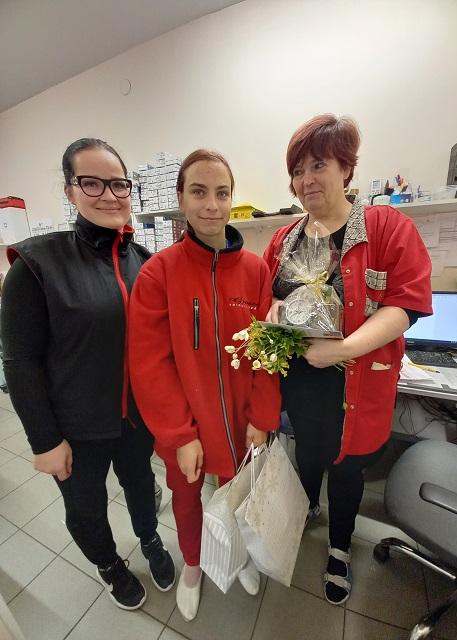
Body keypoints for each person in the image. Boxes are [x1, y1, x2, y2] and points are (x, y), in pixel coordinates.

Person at [263, 114, 432, 605]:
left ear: (346, 168)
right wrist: (272, 312)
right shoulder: (286, 239)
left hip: (355, 388)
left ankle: (339, 547)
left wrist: (340, 350)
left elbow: (405, 305)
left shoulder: (384, 228)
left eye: (318, 165)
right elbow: (269, 296)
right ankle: (306, 510)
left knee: (347, 469)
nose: (306, 180)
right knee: (308, 455)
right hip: (302, 386)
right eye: (298, 171)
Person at [0, 138, 175, 611]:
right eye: (92, 183)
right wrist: (44, 441)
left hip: (135, 419)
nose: (109, 195)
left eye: (118, 184)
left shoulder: (145, 263)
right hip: (75, 429)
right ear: (70, 190)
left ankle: (150, 539)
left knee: (141, 484)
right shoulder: (37, 264)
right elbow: (19, 361)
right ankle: (109, 564)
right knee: (86, 507)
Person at [129, 149, 281, 621]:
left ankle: (239, 556)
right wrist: (179, 435)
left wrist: (262, 417)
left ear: (232, 198)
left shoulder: (256, 271)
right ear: (181, 198)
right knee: (187, 497)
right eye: (199, 192)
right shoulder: (158, 273)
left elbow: (268, 354)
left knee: (239, 493)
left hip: (241, 418)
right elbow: (150, 364)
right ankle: (193, 566)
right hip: (186, 424)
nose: (211, 205)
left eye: (221, 193)